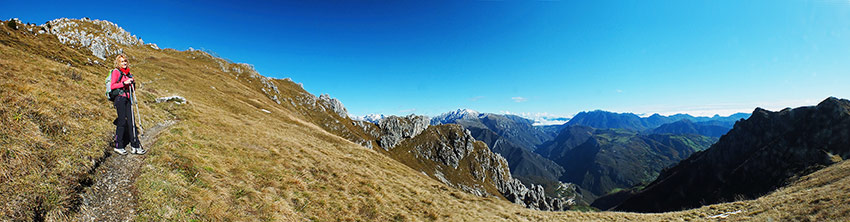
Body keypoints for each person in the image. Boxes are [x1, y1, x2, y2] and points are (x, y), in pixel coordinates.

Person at [110, 54, 146, 155]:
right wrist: (124, 83)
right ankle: (119, 145)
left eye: (125, 61)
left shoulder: (128, 74)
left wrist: (132, 83)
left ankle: (135, 146)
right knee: (122, 121)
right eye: (122, 61)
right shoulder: (116, 72)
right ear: (118, 63)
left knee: (132, 122)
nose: (124, 63)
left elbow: (132, 89)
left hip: (128, 99)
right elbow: (113, 86)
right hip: (120, 98)